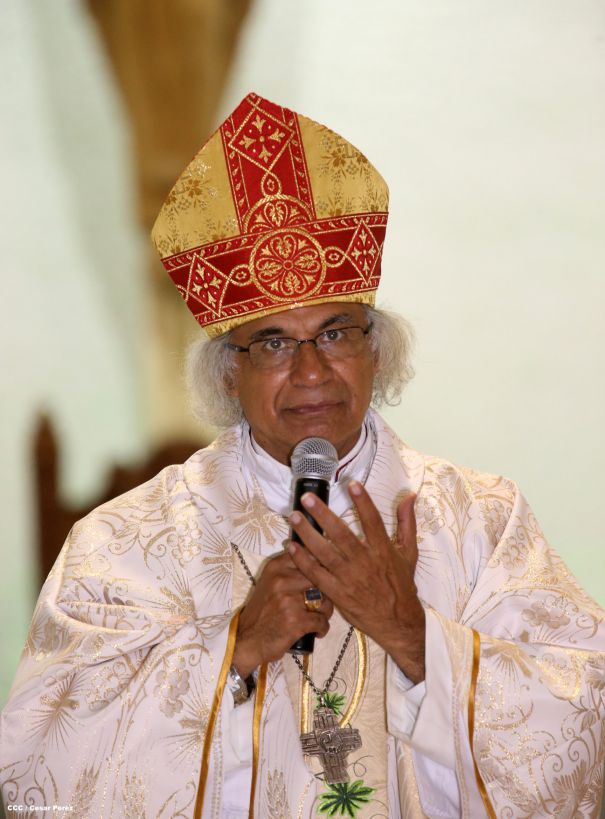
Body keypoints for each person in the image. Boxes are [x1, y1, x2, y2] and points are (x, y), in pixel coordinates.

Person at [1, 92, 604, 819]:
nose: (312, 372)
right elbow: (43, 764)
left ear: (376, 351)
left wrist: (413, 636)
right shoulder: (125, 544)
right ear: (229, 371)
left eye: (337, 333)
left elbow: (580, 724)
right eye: (274, 343)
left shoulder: (482, 519)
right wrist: (234, 648)